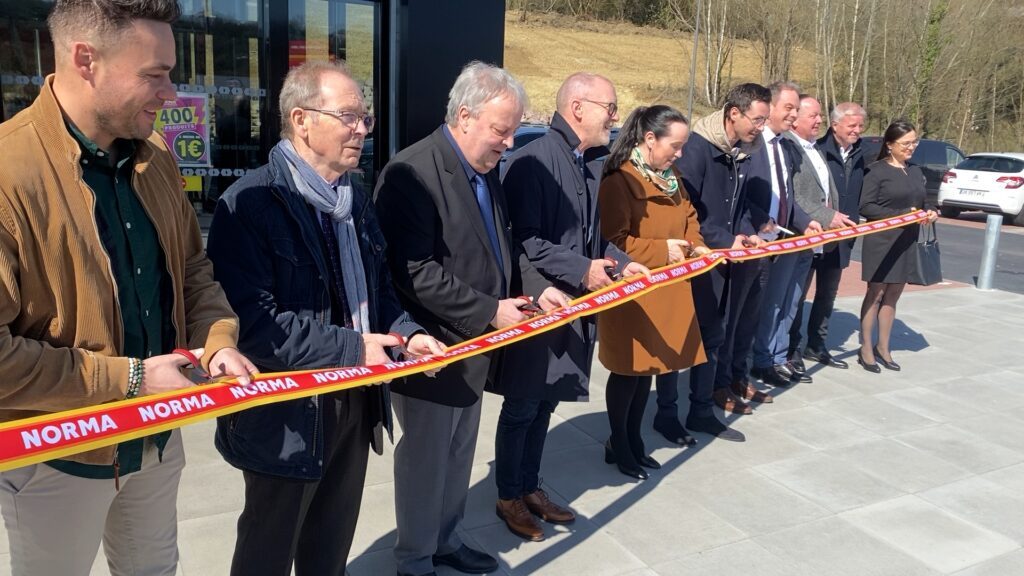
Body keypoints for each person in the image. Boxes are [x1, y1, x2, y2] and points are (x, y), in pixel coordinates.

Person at [0, 1, 256, 574]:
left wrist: (219, 340)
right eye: (154, 74)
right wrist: (133, 379)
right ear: (85, 59)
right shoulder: (7, 172)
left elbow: (193, 270)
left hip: (156, 444)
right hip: (56, 458)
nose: (170, 93)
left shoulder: (156, 156)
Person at [206, 61, 445, 576]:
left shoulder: (354, 198)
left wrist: (409, 334)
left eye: (365, 118)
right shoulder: (248, 204)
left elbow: (378, 290)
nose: (361, 129)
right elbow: (256, 326)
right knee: (265, 557)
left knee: (329, 551)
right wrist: (357, 348)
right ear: (301, 120)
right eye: (348, 116)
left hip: (355, 405)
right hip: (285, 415)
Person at [375, 62, 568, 576]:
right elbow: (411, 272)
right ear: (465, 116)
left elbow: (505, 247)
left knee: (458, 457)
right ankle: (414, 560)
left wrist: (538, 288)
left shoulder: (485, 171)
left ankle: (445, 541)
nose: (509, 142)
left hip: (474, 350)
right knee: (425, 464)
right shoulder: (411, 172)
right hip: (431, 351)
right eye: (502, 130)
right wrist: (489, 311)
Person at [490, 72, 649, 539]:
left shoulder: (588, 162)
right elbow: (525, 240)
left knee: (544, 406)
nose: (615, 117)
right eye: (610, 106)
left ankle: (529, 486)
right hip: (541, 305)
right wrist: (584, 270)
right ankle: (507, 496)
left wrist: (621, 263)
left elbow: (596, 238)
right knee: (522, 406)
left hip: (573, 309)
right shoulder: (532, 160)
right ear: (577, 107)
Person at [598, 105, 709, 479]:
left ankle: (632, 440)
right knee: (628, 372)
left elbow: (689, 217)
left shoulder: (670, 177)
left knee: (647, 371)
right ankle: (620, 442)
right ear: (649, 139)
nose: (679, 154)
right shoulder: (619, 180)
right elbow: (613, 241)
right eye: (674, 146)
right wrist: (665, 251)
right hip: (634, 294)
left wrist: (697, 246)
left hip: (666, 291)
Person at [666, 83, 775, 444]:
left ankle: (700, 412)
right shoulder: (696, 150)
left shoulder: (741, 151)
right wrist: (727, 240)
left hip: (723, 261)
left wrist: (746, 233)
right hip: (694, 261)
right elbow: (689, 210)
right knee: (678, 343)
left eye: (764, 120)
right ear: (734, 113)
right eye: (757, 119)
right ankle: (666, 416)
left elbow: (740, 206)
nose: (761, 127)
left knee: (712, 339)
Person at [748, 82, 820, 390]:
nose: (793, 115)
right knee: (757, 308)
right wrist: (759, 220)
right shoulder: (752, 145)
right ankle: (753, 364)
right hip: (755, 240)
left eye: (796, 109)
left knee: (780, 302)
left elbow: (787, 197)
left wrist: (807, 222)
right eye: (788, 108)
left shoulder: (784, 147)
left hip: (786, 237)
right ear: (771, 107)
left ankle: (771, 360)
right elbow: (744, 195)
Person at [789, 102, 868, 370]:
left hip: (841, 238)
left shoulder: (862, 155)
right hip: (813, 233)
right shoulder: (817, 150)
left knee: (827, 294)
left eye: (860, 125)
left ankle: (816, 344)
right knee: (798, 294)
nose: (858, 130)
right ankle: (791, 348)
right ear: (836, 126)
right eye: (852, 125)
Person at [858, 120, 938, 372]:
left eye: (914, 142)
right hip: (881, 242)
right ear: (890, 145)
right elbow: (866, 207)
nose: (911, 147)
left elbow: (921, 203)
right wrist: (900, 214)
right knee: (876, 293)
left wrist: (929, 213)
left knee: (893, 295)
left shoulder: (914, 171)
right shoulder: (876, 171)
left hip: (906, 241)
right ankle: (866, 348)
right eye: (906, 143)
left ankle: (884, 346)